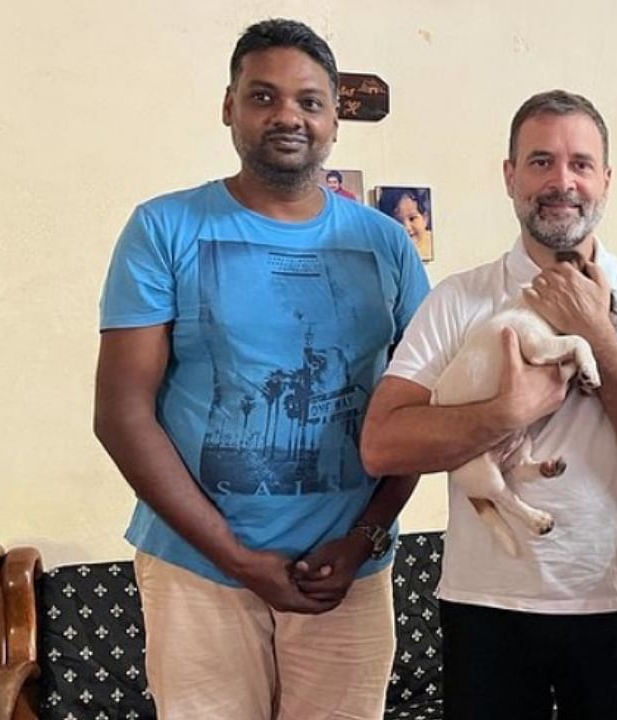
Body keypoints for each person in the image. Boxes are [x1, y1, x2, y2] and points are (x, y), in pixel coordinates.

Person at [93, 19, 430, 720]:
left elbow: (421, 409)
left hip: (348, 574)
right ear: (229, 106)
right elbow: (122, 413)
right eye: (263, 97)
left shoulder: (387, 245)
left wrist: (366, 534)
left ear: (336, 118)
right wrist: (236, 557)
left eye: (310, 102)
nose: (288, 117)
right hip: (198, 572)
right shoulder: (165, 228)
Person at [360, 89, 617, 720]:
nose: (561, 181)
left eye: (580, 163)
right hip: (489, 601)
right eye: (540, 162)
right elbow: (383, 443)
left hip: (614, 599)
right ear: (510, 176)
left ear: (605, 180)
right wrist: (505, 411)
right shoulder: (460, 299)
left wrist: (595, 330)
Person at [376, 186, 433, 260]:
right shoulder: (389, 250)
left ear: (425, 218)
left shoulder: (431, 243)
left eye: (412, 219)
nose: (406, 227)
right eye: (398, 222)